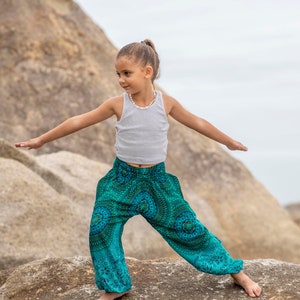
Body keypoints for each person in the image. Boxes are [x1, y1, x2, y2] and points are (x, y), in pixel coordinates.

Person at [15, 39, 262, 300]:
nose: (121, 79)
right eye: (118, 74)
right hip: (122, 181)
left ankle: (237, 273)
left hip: (157, 184)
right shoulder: (117, 104)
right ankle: (116, 286)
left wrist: (228, 141)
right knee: (101, 227)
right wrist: (41, 139)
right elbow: (78, 121)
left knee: (189, 228)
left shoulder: (166, 104)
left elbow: (197, 122)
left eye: (127, 73)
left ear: (147, 72)